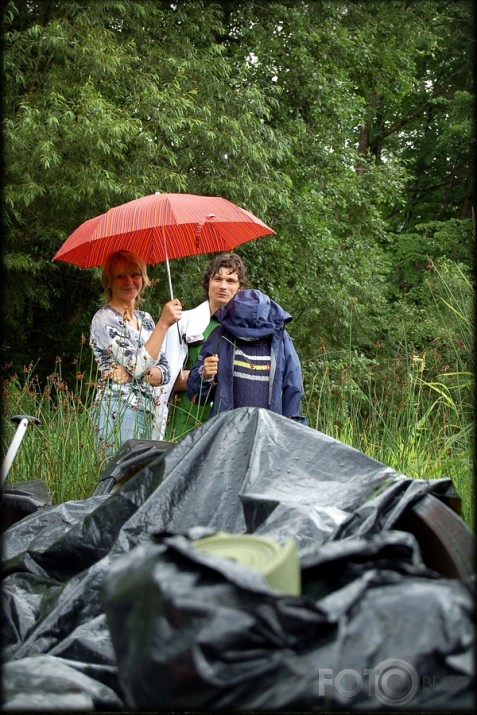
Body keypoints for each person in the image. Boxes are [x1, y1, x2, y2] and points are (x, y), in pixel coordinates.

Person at [89, 250, 182, 456]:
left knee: (140, 484)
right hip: (117, 410)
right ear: (109, 282)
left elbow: (165, 372)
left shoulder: (146, 319)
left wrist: (133, 373)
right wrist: (163, 324)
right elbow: (138, 365)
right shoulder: (104, 318)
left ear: (143, 277)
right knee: (117, 483)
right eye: (120, 276)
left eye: (134, 274)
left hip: (149, 412)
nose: (129, 281)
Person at [156, 253, 249, 440]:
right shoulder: (183, 322)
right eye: (218, 278)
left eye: (231, 281)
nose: (223, 286)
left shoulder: (248, 330)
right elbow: (165, 380)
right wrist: (202, 374)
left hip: (229, 423)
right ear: (208, 283)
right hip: (184, 419)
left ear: (240, 288)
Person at [186, 288, 304, 420]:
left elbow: (293, 388)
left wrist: (289, 432)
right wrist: (205, 375)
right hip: (226, 434)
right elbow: (196, 397)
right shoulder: (220, 336)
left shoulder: (280, 341)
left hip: (268, 433)